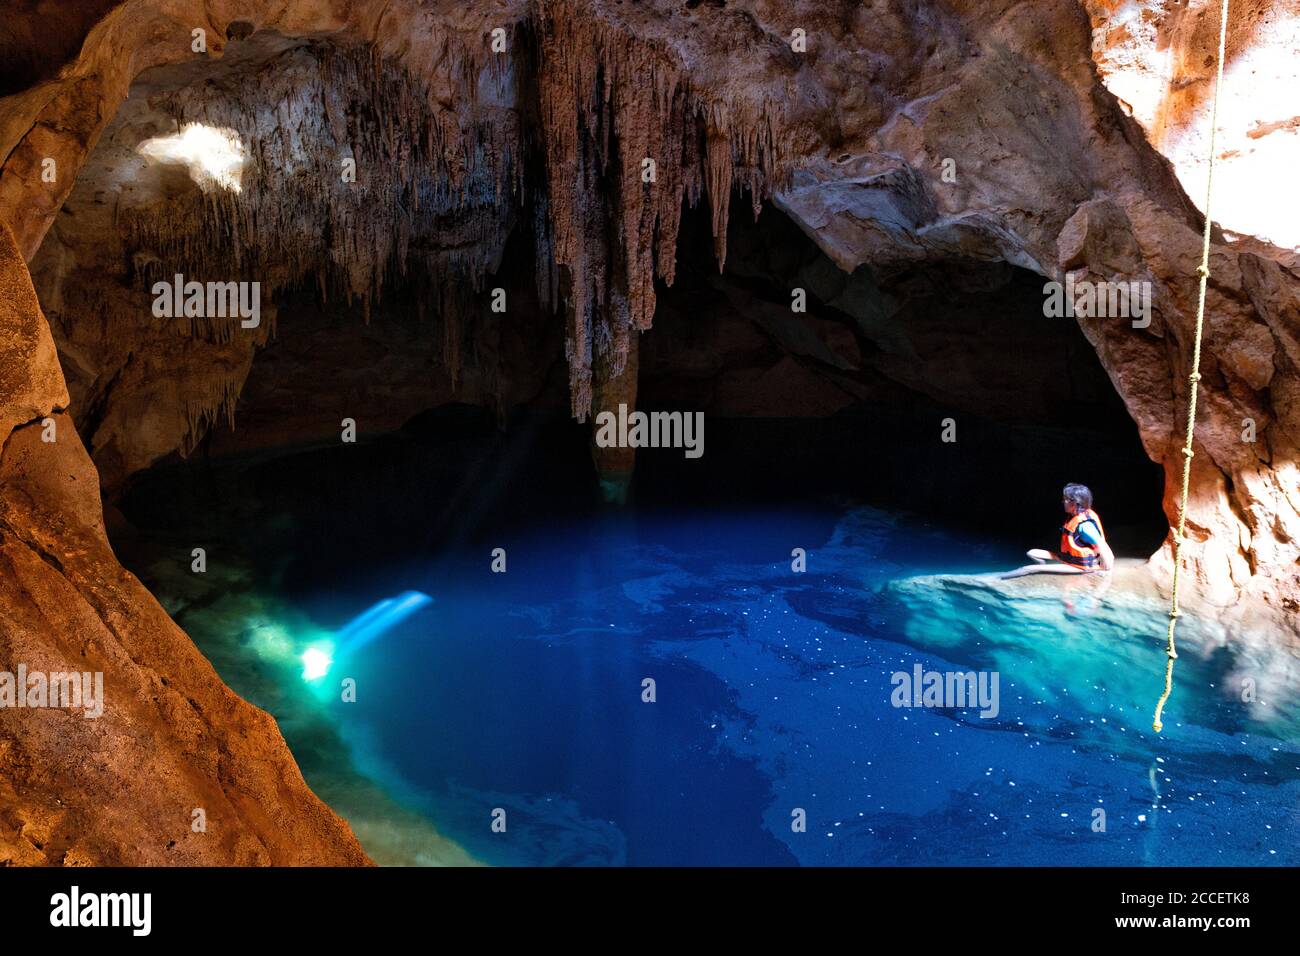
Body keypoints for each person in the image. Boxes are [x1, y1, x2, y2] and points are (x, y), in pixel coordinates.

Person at [1001, 483, 1114, 579]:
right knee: (1031, 553)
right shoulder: (1075, 516)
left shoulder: (1085, 526)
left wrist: (1106, 570)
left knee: (1028, 569)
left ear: (1075, 503)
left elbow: (1102, 545)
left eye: (1065, 499)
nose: (1062, 501)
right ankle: (1043, 570)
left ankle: (998, 578)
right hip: (1070, 558)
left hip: (1082, 565)